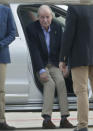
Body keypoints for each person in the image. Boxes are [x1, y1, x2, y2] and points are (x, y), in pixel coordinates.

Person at [26, 5, 73, 129]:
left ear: (51, 17)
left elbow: (62, 48)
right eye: (42, 17)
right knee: (49, 83)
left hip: (53, 64)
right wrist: (41, 70)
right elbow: (34, 51)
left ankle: (64, 118)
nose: (45, 20)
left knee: (61, 82)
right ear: (37, 17)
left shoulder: (57, 27)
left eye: (47, 17)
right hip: (41, 65)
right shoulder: (31, 29)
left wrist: (64, 64)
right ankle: (46, 120)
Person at [59, 5, 93, 131]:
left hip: (80, 56)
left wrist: (63, 58)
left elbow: (68, 35)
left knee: (82, 91)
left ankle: (83, 125)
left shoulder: (74, 8)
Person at [0, 4, 16, 130]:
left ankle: (1, 121)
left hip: (1, 55)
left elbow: (12, 32)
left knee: (0, 90)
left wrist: (1, 44)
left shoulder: (5, 10)